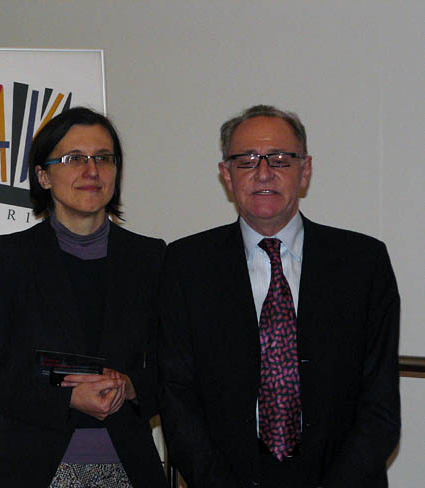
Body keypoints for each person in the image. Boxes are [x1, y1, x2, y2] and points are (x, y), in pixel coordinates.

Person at [158, 105, 400, 487]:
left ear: (305, 171)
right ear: (226, 175)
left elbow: (380, 408)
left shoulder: (363, 264)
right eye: (246, 160)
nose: (263, 173)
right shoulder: (186, 265)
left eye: (280, 160)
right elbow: (177, 401)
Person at [0, 107, 167, 488]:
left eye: (103, 158)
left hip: (129, 464)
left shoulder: (150, 257)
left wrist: (131, 387)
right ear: (43, 176)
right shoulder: (10, 257)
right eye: (74, 159)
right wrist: (67, 399)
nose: (91, 170)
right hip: (32, 465)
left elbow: (174, 371)